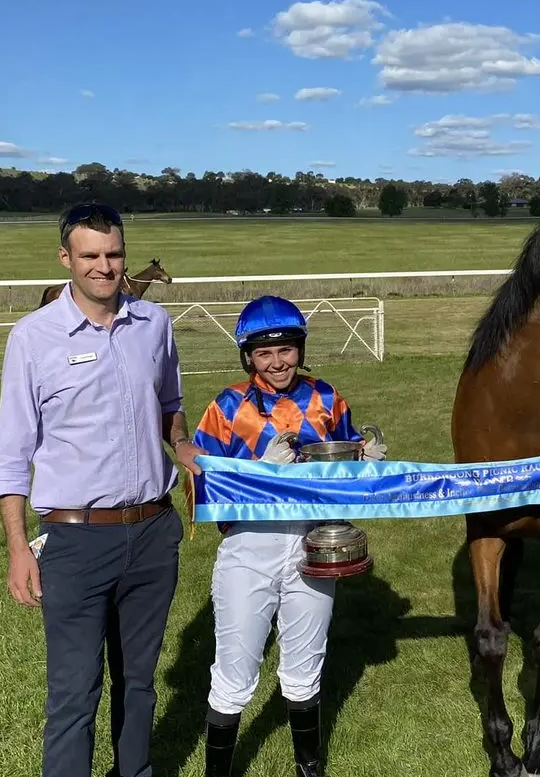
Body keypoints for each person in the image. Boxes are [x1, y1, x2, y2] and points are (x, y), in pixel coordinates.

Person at [0, 201, 201, 777]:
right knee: (74, 695)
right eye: (90, 256)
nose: (104, 267)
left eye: (113, 254)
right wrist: (16, 549)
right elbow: (10, 456)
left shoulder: (153, 325)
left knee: (138, 685)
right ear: (66, 258)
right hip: (75, 541)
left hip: (153, 536)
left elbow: (168, 405)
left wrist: (180, 445)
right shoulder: (32, 338)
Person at [180, 295, 387, 777]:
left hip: (316, 543)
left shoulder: (328, 397)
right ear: (248, 356)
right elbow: (200, 485)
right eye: (264, 353)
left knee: (305, 664)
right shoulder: (228, 406)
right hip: (249, 547)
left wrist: (365, 460)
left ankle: (308, 768)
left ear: (300, 348)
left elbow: (344, 464)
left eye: (287, 350)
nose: (277, 362)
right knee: (234, 672)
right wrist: (258, 473)